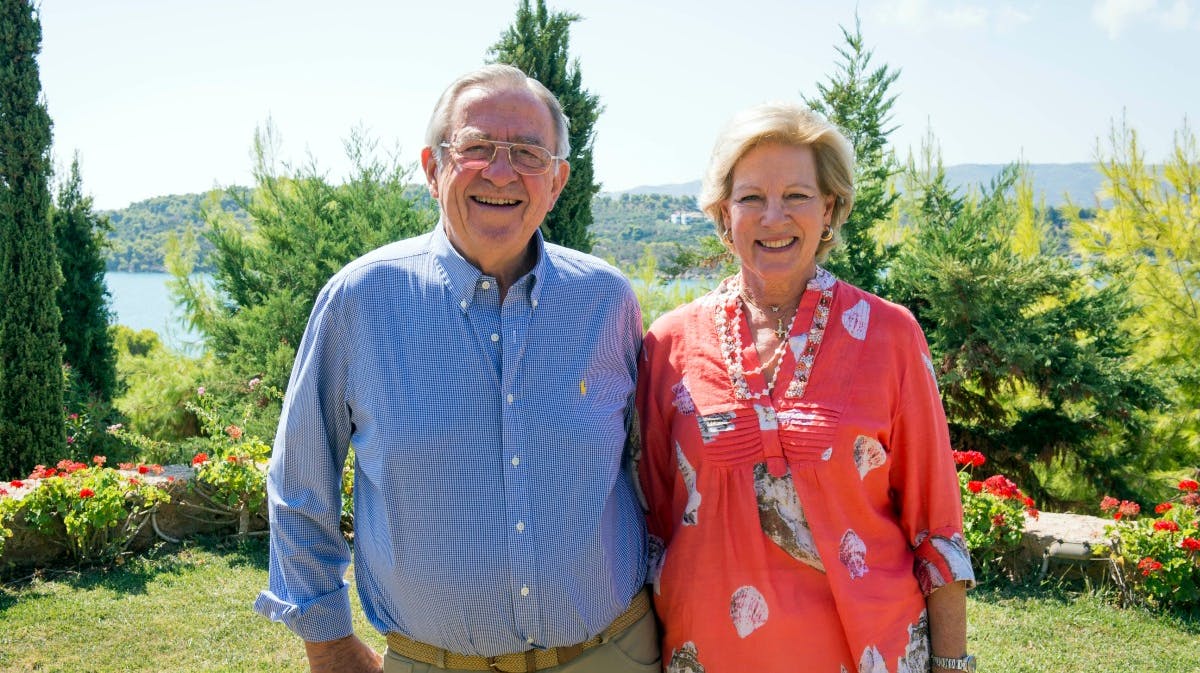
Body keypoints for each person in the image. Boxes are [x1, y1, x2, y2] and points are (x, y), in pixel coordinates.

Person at [255, 64, 658, 673]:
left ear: (557, 181)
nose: (502, 172)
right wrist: (329, 643)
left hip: (612, 654)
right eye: (475, 148)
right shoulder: (361, 301)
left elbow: (646, 466)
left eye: (528, 152)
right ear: (431, 168)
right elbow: (300, 485)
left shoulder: (606, 301)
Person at [634, 102, 976, 673]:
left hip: (869, 652)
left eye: (797, 195)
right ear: (723, 214)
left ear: (831, 208)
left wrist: (953, 665)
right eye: (750, 198)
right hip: (710, 654)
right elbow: (650, 522)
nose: (774, 217)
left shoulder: (889, 335)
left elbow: (935, 523)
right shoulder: (669, 343)